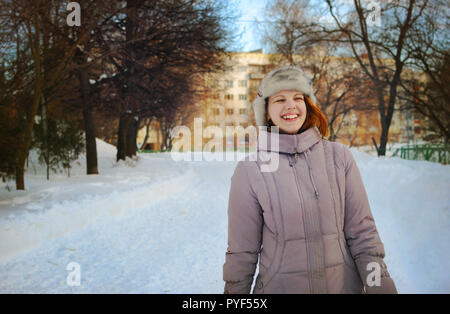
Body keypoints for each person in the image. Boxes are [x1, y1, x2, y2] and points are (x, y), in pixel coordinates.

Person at [222, 65, 397, 294]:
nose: (290, 106)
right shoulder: (250, 170)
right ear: (265, 111)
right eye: (279, 100)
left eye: (297, 97)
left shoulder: (339, 157)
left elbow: (363, 234)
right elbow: (242, 251)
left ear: (308, 104)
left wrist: (380, 287)